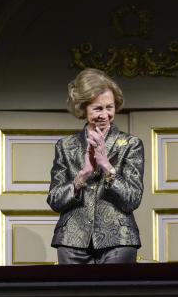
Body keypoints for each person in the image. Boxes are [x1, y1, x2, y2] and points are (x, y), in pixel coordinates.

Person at [48, 68, 144, 264]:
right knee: (74, 295)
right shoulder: (65, 146)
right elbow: (54, 200)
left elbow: (132, 199)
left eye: (109, 107)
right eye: (97, 108)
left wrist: (108, 167)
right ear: (83, 109)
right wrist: (81, 176)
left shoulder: (131, 144)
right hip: (72, 240)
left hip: (119, 239)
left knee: (114, 295)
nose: (105, 115)